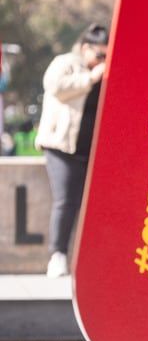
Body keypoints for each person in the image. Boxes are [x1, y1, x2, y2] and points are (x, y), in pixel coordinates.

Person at [35, 23, 108, 277]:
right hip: (62, 145)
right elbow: (55, 86)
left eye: (107, 56)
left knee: (93, 206)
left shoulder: (107, 72)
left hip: (92, 149)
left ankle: (89, 259)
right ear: (86, 48)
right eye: (99, 54)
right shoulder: (66, 62)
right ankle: (58, 255)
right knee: (66, 201)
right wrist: (91, 76)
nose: (103, 60)